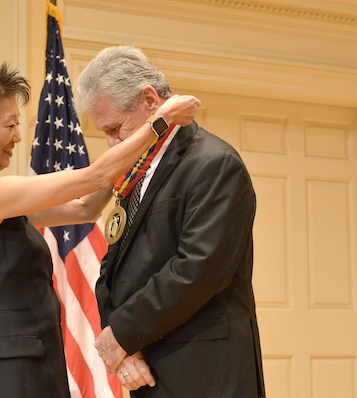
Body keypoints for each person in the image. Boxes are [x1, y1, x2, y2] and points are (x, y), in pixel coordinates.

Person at [0, 57, 200, 398]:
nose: (18, 136)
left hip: (35, 349)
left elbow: (85, 208)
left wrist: (133, 154)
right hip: (9, 359)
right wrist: (157, 123)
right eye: (9, 126)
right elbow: (94, 177)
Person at [73, 46, 266, 397]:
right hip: (149, 366)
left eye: (116, 128)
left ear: (149, 100)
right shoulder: (136, 170)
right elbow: (113, 266)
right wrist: (118, 347)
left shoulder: (213, 163)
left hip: (205, 371)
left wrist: (122, 334)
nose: (112, 143)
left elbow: (200, 268)